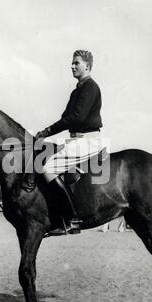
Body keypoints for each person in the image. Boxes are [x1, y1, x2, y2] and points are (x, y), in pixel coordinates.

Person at [21, 50, 104, 235]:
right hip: (75, 137)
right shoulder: (77, 90)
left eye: (76, 63)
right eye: (72, 63)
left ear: (87, 66)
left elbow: (77, 117)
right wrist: (44, 134)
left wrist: (48, 131)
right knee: (41, 150)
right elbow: (65, 118)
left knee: (47, 167)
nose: (72, 66)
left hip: (89, 139)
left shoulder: (90, 87)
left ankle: (71, 220)